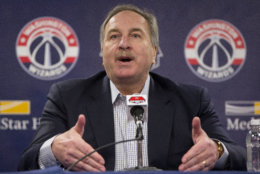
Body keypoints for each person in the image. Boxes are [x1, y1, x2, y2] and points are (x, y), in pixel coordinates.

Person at [18, 4, 246, 172]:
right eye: (114, 36)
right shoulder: (67, 96)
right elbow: (26, 162)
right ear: (102, 53)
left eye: (135, 35)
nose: (123, 44)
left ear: (154, 52)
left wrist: (216, 150)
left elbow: (241, 157)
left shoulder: (191, 100)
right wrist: (54, 148)